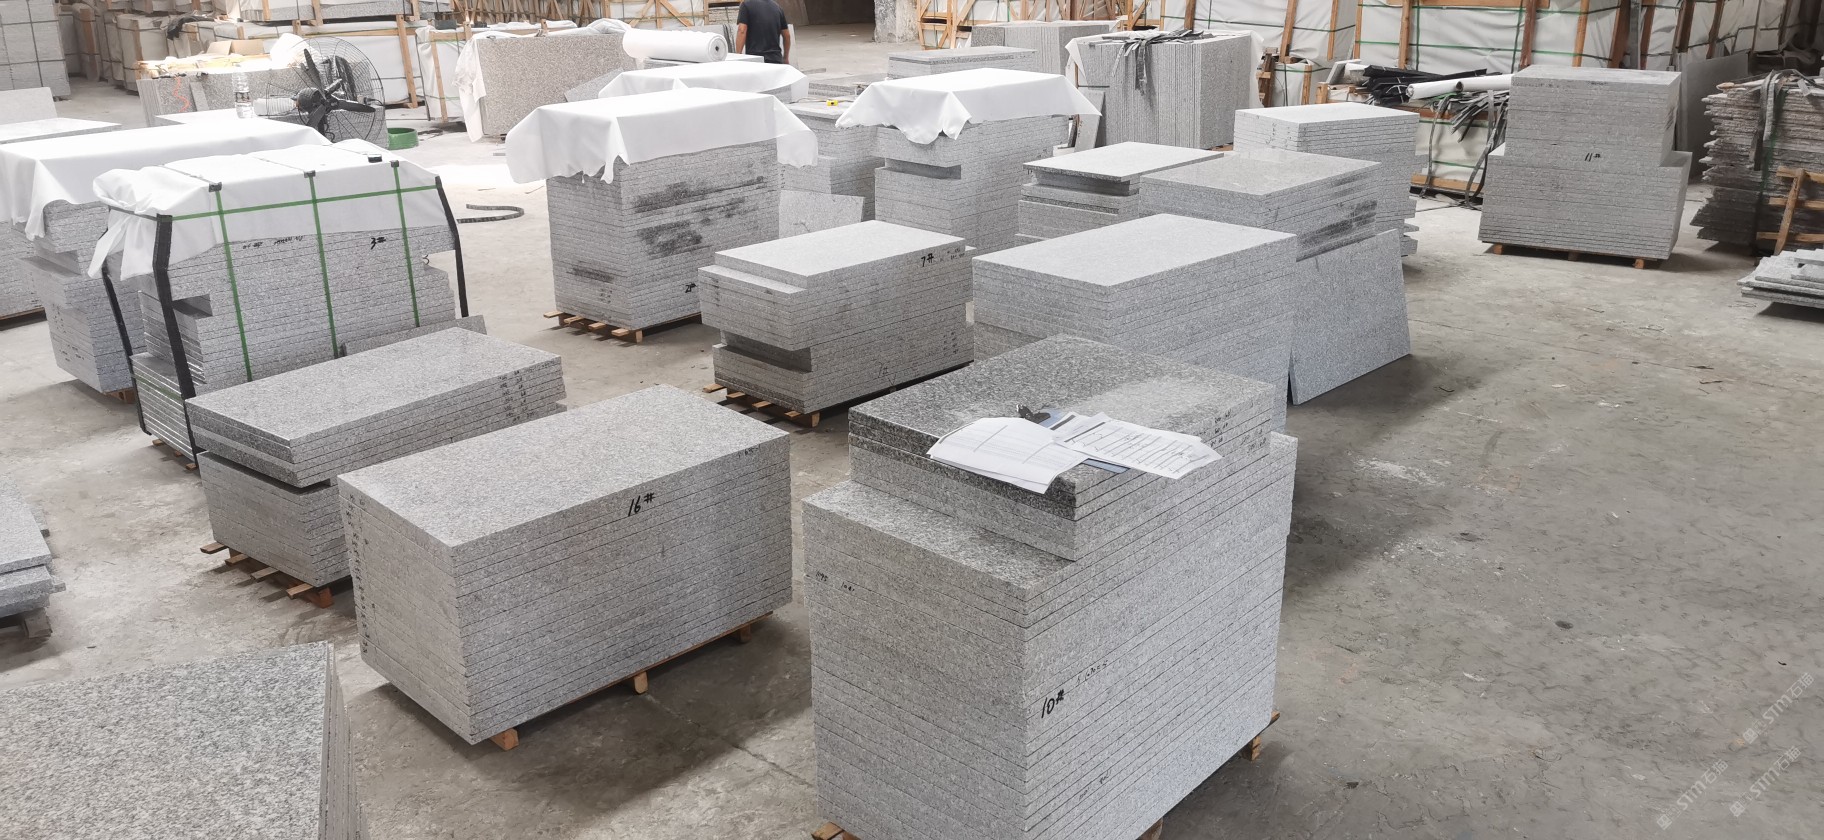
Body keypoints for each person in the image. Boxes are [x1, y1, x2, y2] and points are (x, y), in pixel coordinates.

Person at [735, 0, 791, 64]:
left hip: (755, 60)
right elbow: (787, 36)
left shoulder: (746, 5)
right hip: (775, 59)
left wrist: (738, 56)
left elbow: (742, 30)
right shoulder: (777, 7)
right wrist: (785, 58)